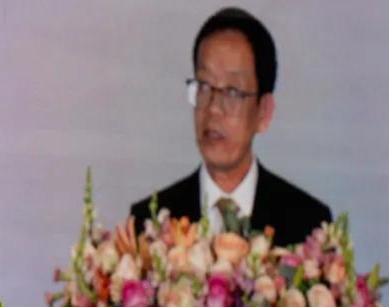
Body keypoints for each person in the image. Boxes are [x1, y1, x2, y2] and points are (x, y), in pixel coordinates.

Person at [131, 7, 331, 245]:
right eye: (204, 86)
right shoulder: (149, 223)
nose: (214, 108)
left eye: (233, 92)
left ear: (264, 112)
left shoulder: (308, 225)